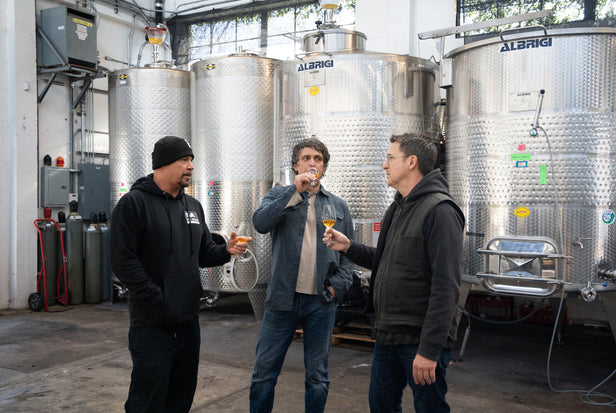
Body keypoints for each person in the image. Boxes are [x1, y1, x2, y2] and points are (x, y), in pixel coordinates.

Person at [323, 133, 465, 412]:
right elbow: (387, 261)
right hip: (388, 334)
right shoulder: (398, 207)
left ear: (412, 162)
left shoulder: (440, 211)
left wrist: (428, 351)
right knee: (381, 405)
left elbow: (446, 287)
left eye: (390, 158)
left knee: (430, 408)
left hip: (418, 338)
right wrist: (349, 247)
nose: (384, 166)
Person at [110, 135, 249, 413]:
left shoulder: (193, 207)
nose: (191, 166)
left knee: (181, 397)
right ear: (163, 164)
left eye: (192, 161)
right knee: (147, 400)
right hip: (151, 324)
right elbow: (123, 261)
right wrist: (157, 300)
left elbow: (203, 253)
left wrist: (226, 250)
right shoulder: (133, 204)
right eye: (184, 160)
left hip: (188, 322)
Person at [249, 137, 354, 413]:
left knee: (317, 378)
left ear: (324, 167)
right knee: (263, 375)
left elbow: (348, 257)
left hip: (321, 302)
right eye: (306, 158)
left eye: (318, 159)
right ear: (296, 165)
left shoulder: (339, 206)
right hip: (282, 300)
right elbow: (260, 223)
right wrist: (292, 193)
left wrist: (335, 289)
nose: (312, 163)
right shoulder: (278, 195)